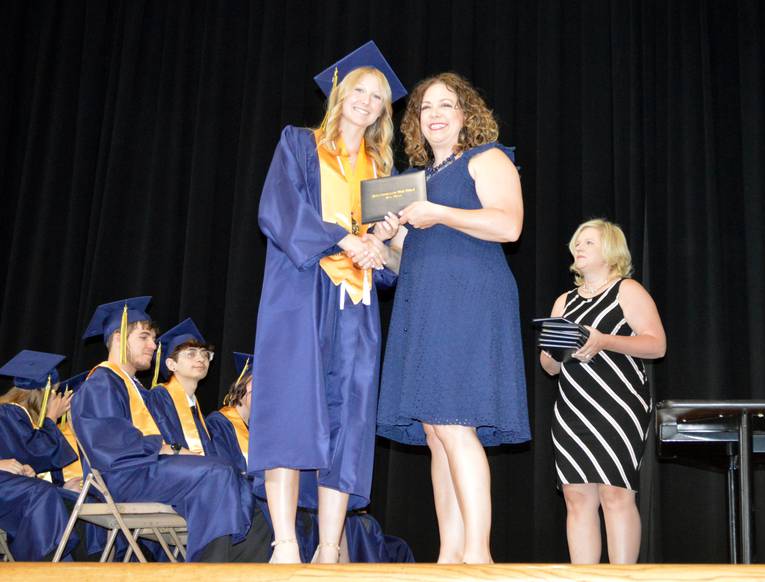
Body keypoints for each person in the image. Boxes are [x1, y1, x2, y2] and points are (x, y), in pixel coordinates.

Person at [250, 41, 405, 564]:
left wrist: (384, 242)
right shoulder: (299, 144)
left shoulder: (382, 172)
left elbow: (387, 261)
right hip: (300, 293)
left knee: (351, 419)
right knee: (291, 409)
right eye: (358, 90)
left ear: (385, 111)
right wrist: (345, 240)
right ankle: (287, 543)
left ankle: (331, 547)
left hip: (356, 306)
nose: (366, 101)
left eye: (377, 97)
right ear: (340, 94)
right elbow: (279, 209)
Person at [376, 72, 530, 564]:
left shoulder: (487, 158)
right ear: (415, 123)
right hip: (424, 304)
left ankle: (479, 555)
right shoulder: (414, 184)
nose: (435, 114)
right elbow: (405, 260)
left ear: (467, 114)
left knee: (455, 422)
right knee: (434, 430)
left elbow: (508, 224)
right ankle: (450, 555)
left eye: (447, 105)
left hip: (469, 299)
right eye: (425, 108)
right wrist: (385, 240)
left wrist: (438, 213)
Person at [70, 296, 269, 562]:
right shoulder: (102, 381)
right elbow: (110, 443)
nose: (153, 345)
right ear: (118, 338)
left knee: (247, 495)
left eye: (153, 339)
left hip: (143, 471)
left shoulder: (131, 385)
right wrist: (170, 449)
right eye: (144, 337)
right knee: (216, 474)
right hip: (122, 476)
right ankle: (206, 572)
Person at [539, 219, 666, 564]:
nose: (578, 247)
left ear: (611, 250)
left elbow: (657, 345)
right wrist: (555, 351)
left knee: (616, 493)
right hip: (572, 409)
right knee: (576, 497)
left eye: (589, 242)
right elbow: (548, 367)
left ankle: (622, 576)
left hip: (618, 406)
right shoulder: (563, 302)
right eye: (577, 242)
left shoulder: (628, 290)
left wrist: (603, 341)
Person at [0, 351, 89, 560]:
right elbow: (34, 452)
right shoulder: (9, 412)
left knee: (76, 500)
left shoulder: (25, 420)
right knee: (43, 495)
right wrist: (50, 418)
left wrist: (62, 486)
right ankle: (41, 566)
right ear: (44, 393)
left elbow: (31, 461)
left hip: (14, 487)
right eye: (54, 394)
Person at [147, 318, 216, 456]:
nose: (201, 359)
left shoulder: (196, 409)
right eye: (191, 354)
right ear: (172, 364)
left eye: (205, 354)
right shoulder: (159, 397)